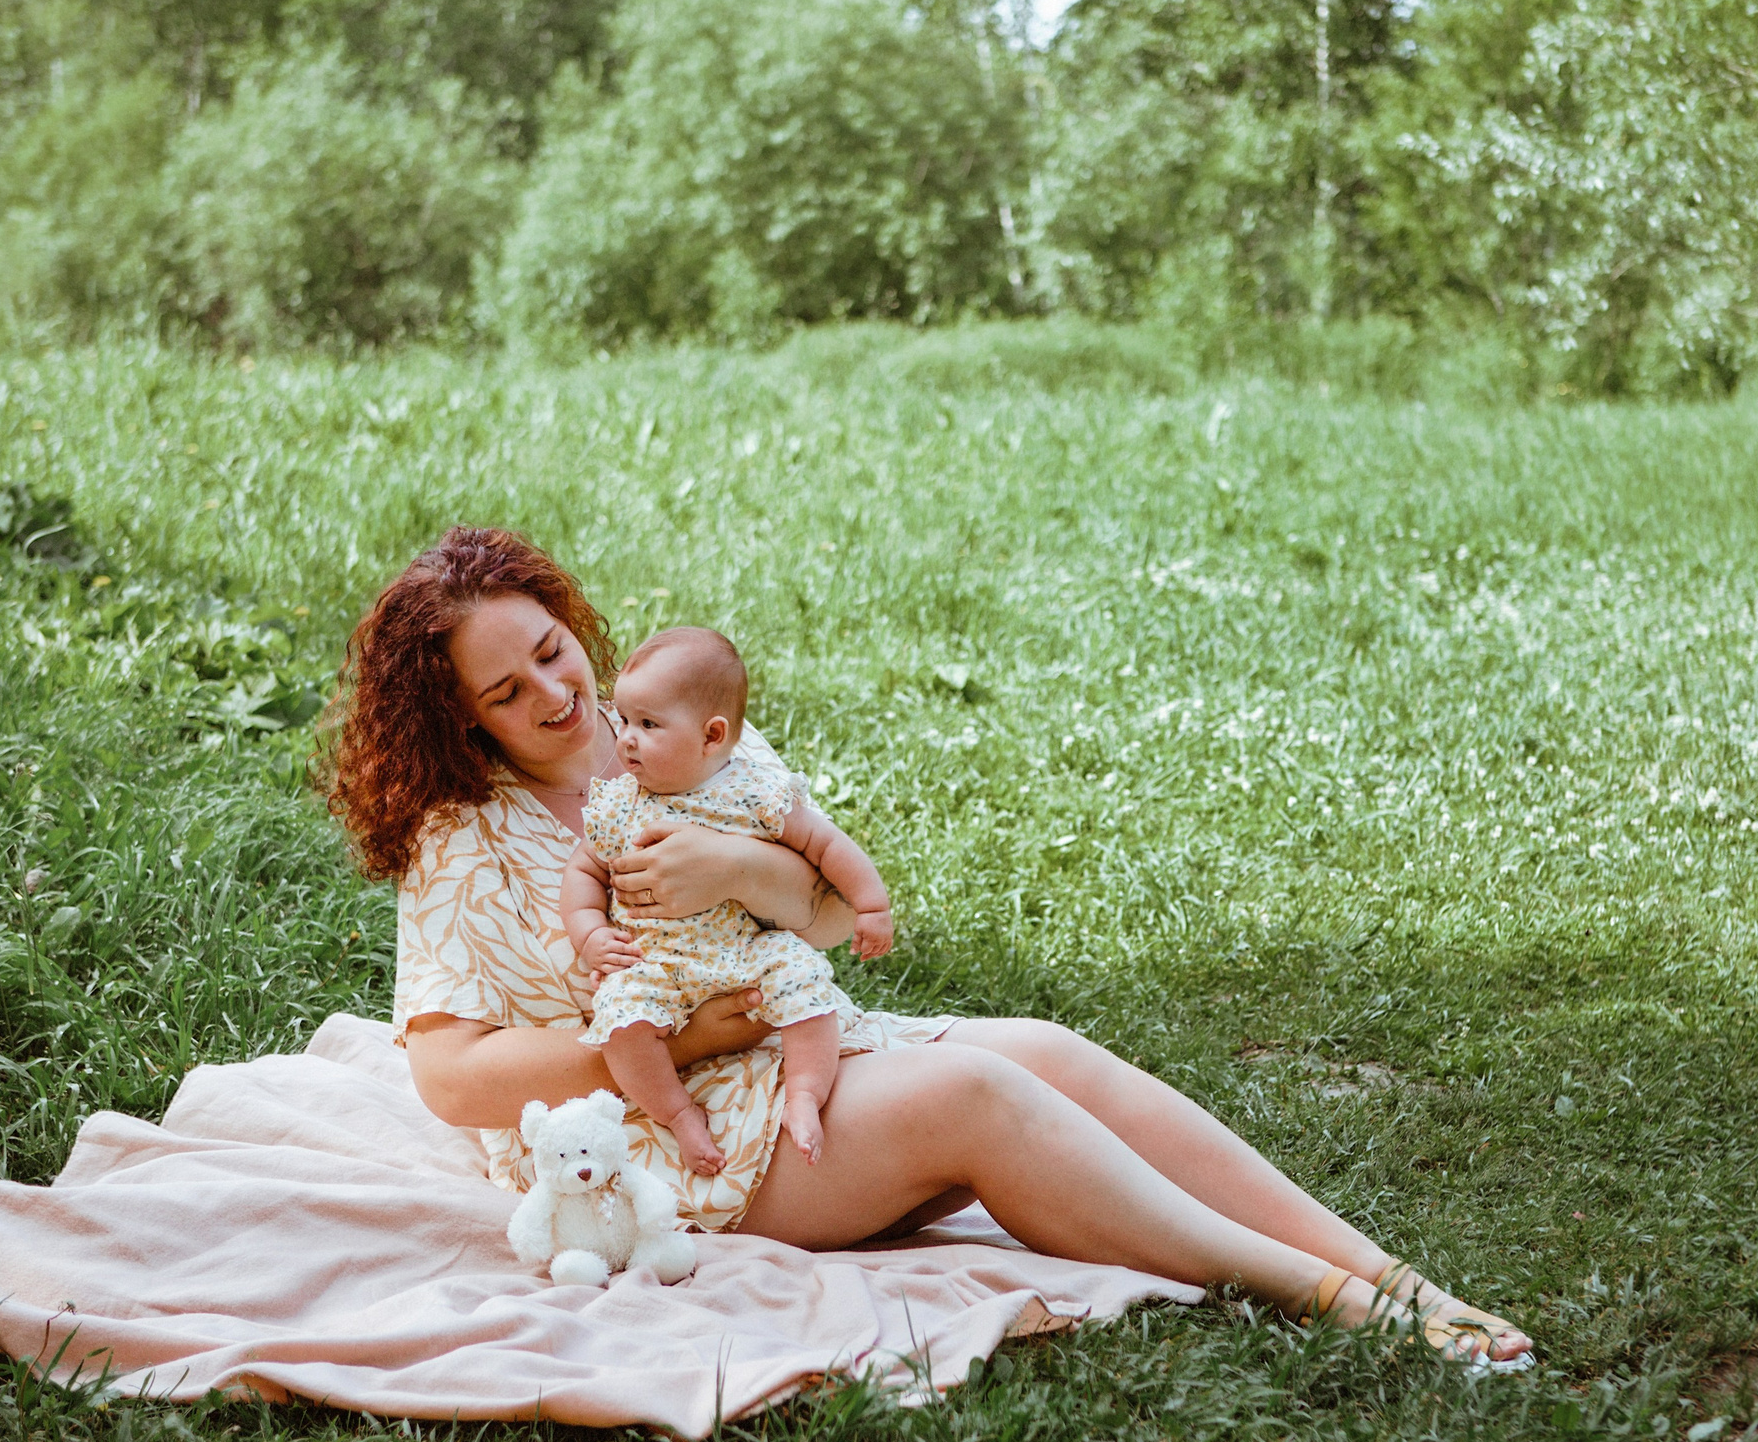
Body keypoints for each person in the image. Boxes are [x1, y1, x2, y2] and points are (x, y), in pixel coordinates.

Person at [320, 525, 1533, 1370]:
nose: (550, 692)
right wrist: (680, 1037)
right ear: (458, 719)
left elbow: (839, 921)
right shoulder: (462, 839)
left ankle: (1394, 1274)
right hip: (657, 1137)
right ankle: (1326, 1299)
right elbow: (449, 1078)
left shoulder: (670, 750)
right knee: (972, 1092)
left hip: (788, 1046)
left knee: (1047, 1050)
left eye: (550, 649)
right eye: (502, 690)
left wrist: (742, 872)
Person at [561, 624, 890, 1174]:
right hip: (655, 961)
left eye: (648, 724)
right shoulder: (620, 804)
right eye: (623, 720)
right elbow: (583, 871)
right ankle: (677, 1113)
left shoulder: (752, 791)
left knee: (803, 977)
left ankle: (807, 1093)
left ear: (712, 736)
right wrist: (591, 934)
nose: (626, 739)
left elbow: (825, 843)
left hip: (744, 951)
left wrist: (872, 903)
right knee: (619, 1021)